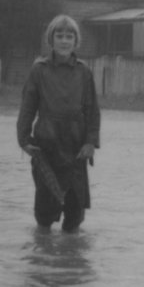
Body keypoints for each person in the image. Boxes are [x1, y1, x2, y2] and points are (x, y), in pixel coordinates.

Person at [17, 14, 100, 233]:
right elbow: (27, 108)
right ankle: (43, 249)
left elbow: (92, 111)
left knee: (74, 213)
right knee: (44, 212)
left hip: (76, 149)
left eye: (69, 36)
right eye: (59, 36)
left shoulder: (84, 72)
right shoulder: (39, 70)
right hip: (46, 148)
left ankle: (71, 250)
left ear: (76, 41)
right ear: (51, 39)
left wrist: (90, 142)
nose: (64, 41)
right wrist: (23, 140)